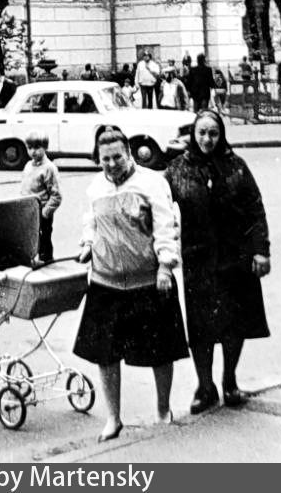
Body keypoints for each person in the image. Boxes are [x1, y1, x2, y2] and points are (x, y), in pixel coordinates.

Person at [73, 128, 187, 438]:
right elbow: (91, 221)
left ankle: (163, 411)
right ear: (98, 158)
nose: (111, 164)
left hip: (148, 280)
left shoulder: (151, 183)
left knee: (160, 350)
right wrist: (87, 244)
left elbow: (166, 225)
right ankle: (113, 418)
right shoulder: (96, 188)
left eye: (117, 157)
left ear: (129, 154)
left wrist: (165, 267)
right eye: (105, 159)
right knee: (105, 354)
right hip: (106, 281)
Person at [165, 109, 271, 414]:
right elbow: (159, 209)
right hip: (198, 259)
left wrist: (261, 250)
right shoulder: (177, 169)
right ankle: (205, 387)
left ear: (221, 135)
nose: (207, 139)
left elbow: (255, 209)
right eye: (202, 133)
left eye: (213, 133)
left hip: (236, 256)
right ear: (193, 134)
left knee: (234, 323)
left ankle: (229, 381)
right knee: (201, 327)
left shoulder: (237, 166)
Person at [19, 132, 62, 265]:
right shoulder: (28, 166)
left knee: (44, 239)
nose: (33, 151)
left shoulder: (49, 168)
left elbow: (56, 195)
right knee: (29, 237)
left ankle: (46, 262)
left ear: (45, 147)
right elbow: (24, 187)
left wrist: (46, 212)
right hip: (28, 210)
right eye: (30, 148)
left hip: (42, 211)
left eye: (37, 147)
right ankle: (30, 260)